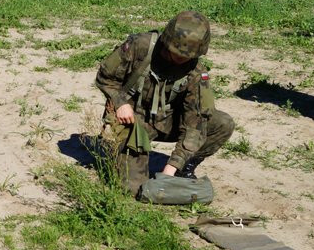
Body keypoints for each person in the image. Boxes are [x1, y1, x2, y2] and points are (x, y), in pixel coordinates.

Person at [95, 11, 235, 196]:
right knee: (132, 189)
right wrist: (120, 103)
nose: (180, 59)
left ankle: (185, 168)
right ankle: (123, 156)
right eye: (175, 52)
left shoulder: (197, 73)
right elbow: (105, 78)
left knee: (222, 123)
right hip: (131, 120)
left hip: (167, 120)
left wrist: (170, 170)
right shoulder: (140, 46)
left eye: (187, 56)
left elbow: (195, 125)